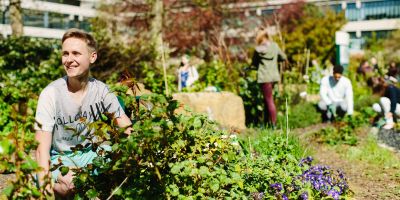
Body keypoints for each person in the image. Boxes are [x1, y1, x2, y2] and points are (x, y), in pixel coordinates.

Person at [34, 28, 132, 197]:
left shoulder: (102, 91)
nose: (69, 60)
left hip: (93, 154)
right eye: (65, 54)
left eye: (76, 53)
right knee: (72, 184)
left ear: (92, 57)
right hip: (61, 158)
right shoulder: (51, 94)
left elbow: (126, 127)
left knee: (122, 166)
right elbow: (41, 148)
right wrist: (44, 185)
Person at [251, 29, 287, 127]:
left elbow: (254, 63)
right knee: (268, 100)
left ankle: (273, 125)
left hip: (264, 77)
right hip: (274, 76)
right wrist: (275, 59)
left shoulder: (258, 50)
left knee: (269, 100)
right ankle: (267, 124)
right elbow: (283, 57)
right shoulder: (274, 46)